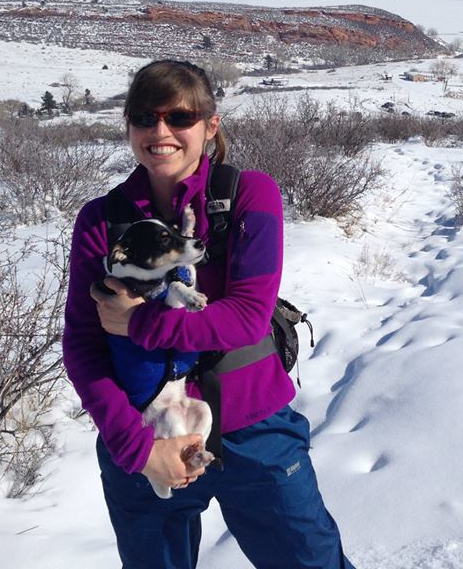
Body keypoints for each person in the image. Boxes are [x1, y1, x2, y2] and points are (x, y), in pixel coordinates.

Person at [63, 60, 354, 569]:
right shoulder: (102, 220)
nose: (161, 132)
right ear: (128, 124)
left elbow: (245, 317)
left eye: (180, 118)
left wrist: (137, 324)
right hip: (145, 431)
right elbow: (84, 347)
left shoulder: (247, 195)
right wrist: (137, 449)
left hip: (255, 431)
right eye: (144, 117)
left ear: (209, 125)